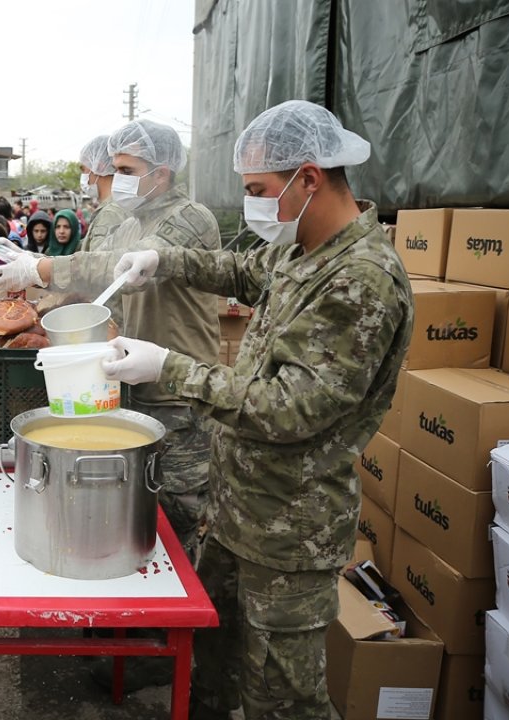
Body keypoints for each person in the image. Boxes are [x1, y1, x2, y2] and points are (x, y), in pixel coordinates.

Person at [97, 100, 414, 718]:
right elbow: (244, 270)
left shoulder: (360, 279)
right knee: (209, 669)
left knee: (281, 699)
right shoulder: (305, 250)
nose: (252, 204)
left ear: (309, 178)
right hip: (238, 512)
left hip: (289, 531)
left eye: (258, 190)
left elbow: (292, 408)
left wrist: (170, 368)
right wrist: (163, 262)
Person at [0, 118, 222, 692]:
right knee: (132, 518)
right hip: (132, 383)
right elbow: (102, 283)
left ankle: (164, 653)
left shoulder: (189, 218)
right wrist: (42, 287)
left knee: (178, 523)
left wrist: (42, 266)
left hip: (179, 392)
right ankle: (127, 634)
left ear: (161, 171)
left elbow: (123, 267)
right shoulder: (133, 217)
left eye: (125, 170)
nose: (115, 180)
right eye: (113, 169)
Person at [78, 134, 130, 252]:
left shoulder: (110, 213)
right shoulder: (120, 205)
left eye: (84, 170)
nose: (83, 176)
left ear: (99, 167)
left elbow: (97, 261)